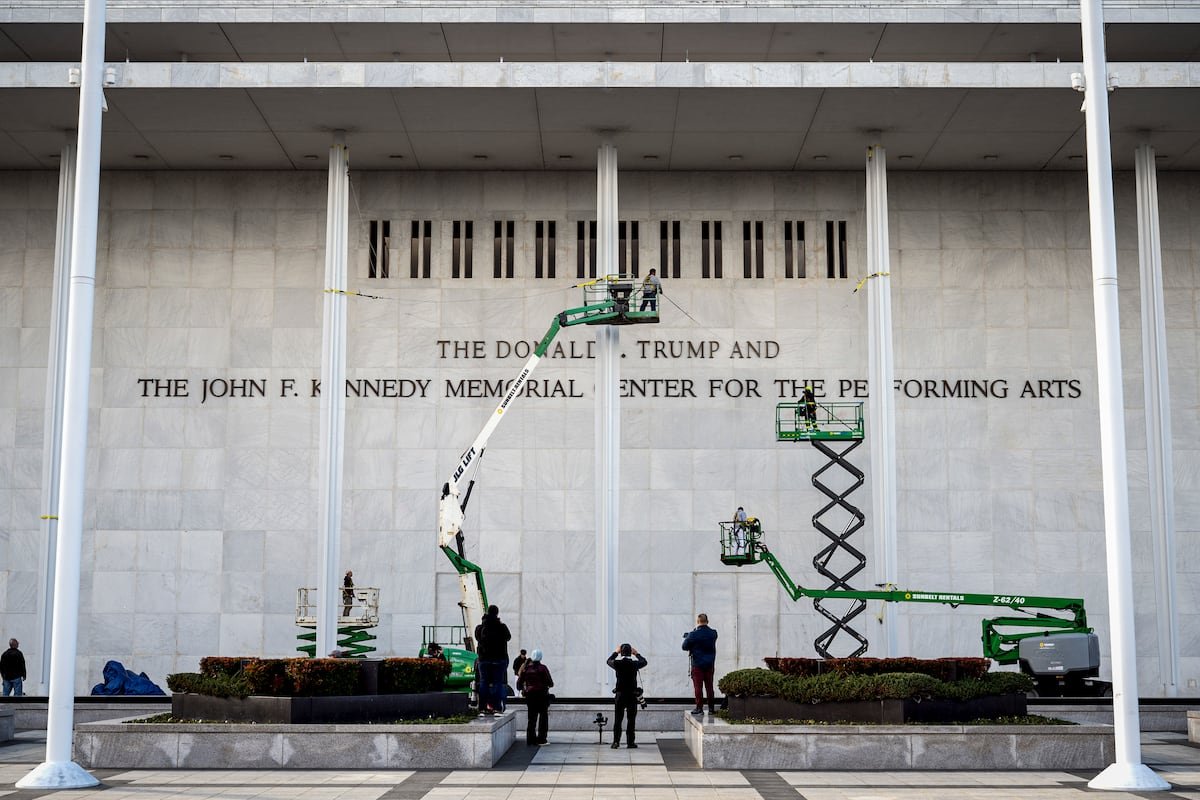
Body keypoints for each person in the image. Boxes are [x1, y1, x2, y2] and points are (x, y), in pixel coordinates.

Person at [606, 643, 647, 748]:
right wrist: (637, 653)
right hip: (632, 696)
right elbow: (644, 662)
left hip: (620, 695)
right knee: (631, 720)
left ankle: (616, 742)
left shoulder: (617, 663)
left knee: (618, 720)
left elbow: (608, 661)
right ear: (630, 652)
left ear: (621, 653)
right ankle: (630, 742)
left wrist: (616, 652)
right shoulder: (634, 664)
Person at [474, 604, 512, 715]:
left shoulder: (480, 628)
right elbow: (508, 637)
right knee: (497, 683)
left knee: (484, 682)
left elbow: (477, 637)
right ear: (497, 613)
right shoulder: (502, 627)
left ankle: (482, 708)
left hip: (484, 660)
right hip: (499, 660)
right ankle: (496, 708)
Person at [515, 648, 554, 746]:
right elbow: (550, 683)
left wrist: (524, 689)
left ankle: (530, 740)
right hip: (542, 695)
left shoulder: (526, 669)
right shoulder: (543, 668)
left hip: (530, 696)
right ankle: (541, 739)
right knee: (543, 717)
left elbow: (519, 684)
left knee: (531, 718)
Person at [682, 614, 719, 715]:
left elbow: (684, 647)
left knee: (698, 687)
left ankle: (699, 708)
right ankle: (711, 709)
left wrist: (690, 635)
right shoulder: (713, 633)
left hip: (697, 665)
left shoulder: (693, 634)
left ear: (697, 622)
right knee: (709, 687)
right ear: (708, 621)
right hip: (710, 664)